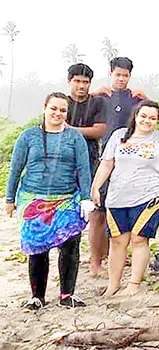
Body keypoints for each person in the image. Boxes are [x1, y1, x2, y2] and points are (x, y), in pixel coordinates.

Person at [4, 92, 95, 309]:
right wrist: (10, 198)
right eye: (53, 108)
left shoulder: (75, 138)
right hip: (32, 200)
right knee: (37, 247)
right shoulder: (28, 137)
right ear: (44, 108)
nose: (58, 113)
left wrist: (86, 199)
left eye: (63, 110)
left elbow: (83, 169)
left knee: (70, 245)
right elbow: (15, 169)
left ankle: (67, 294)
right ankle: (37, 296)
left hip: (66, 199)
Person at [92, 100, 159, 297]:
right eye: (143, 116)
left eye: (152, 118)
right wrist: (95, 187)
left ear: (157, 121)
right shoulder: (119, 136)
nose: (147, 121)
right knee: (118, 241)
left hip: (149, 195)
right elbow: (107, 164)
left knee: (138, 238)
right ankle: (113, 284)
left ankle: (134, 283)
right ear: (136, 116)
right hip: (117, 197)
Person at [90, 57, 147, 273]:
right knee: (98, 212)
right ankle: (96, 262)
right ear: (110, 73)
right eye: (118, 74)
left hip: (129, 163)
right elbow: (78, 107)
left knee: (125, 211)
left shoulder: (135, 99)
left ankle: (118, 256)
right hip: (102, 160)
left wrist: (146, 98)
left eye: (125, 75)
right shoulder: (101, 97)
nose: (122, 79)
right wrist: (93, 94)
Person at [65, 63, 109, 277]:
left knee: (96, 214)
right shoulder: (61, 103)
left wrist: (71, 130)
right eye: (77, 81)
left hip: (92, 163)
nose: (81, 85)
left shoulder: (97, 102)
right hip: (63, 166)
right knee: (65, 215)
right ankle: (65, 264)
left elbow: (100, 130)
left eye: (85, 82)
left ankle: (96, 264)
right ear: (69, 81)